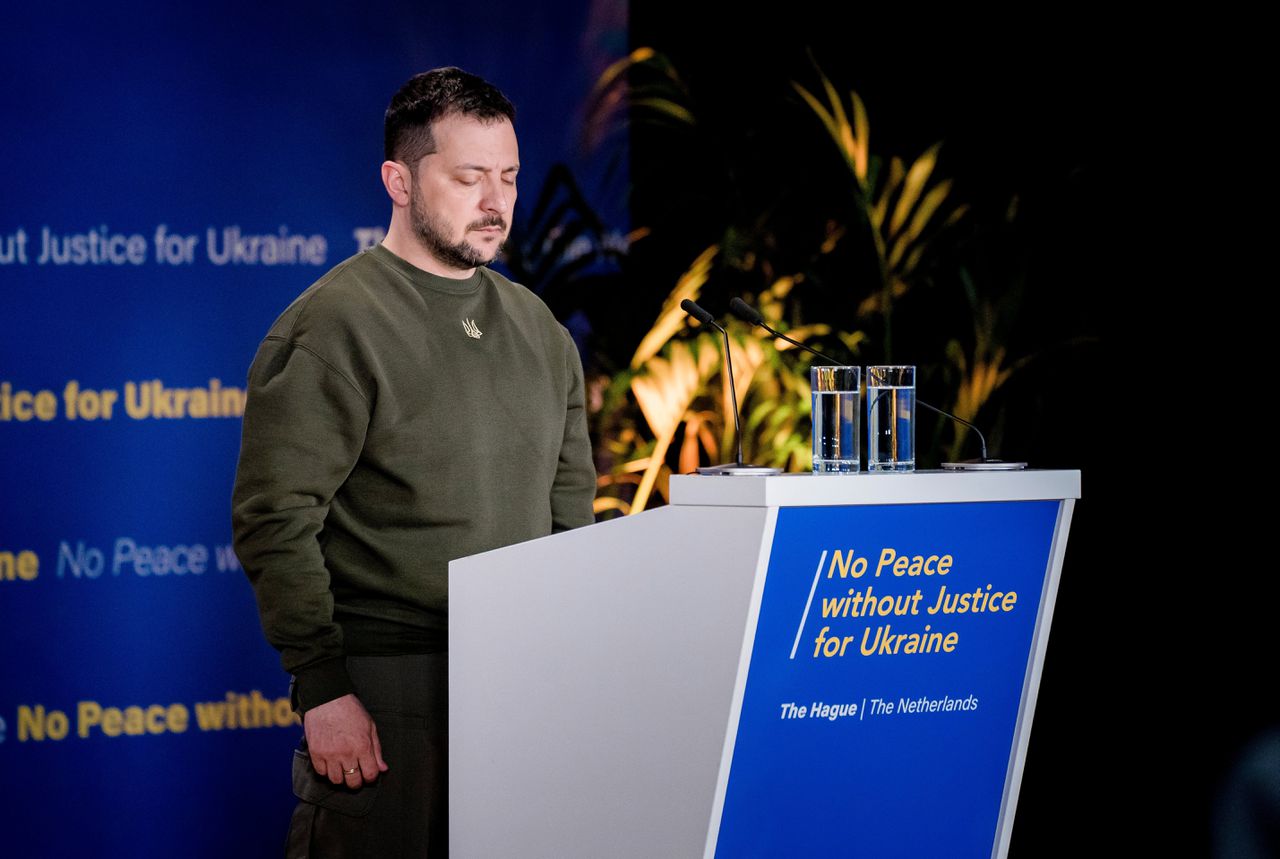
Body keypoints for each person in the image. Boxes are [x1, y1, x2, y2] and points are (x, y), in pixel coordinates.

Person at [232, 67, 597, 857]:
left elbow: (571, 514)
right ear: (399, 180)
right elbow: (274, 521)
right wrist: (324, 690)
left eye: (507, 177)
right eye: (468, 177)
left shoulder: (540, 330)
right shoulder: (333, 326)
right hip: (386, 688)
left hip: (521, 686)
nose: (496, 201)